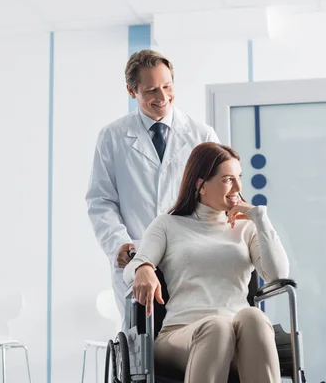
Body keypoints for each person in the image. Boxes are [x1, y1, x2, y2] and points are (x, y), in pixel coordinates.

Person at [123, 142, 290, 383]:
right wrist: (144, 267)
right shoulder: (168, 225)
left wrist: (260, 218)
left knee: (253, 317)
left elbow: (278, 275)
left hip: (239, 336)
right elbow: (132, 267)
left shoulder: (247, 228)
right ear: (201, 185)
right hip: (180, 335)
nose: (238, 187)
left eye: (239, 177)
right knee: (217, 328)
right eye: (227, 179)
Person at [86, 50, 219, 328]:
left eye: (167, 86)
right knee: (143, 346)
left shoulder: (201, 135)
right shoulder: (112, 137)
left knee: (195, 336)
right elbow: (101, 200)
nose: (162, 97)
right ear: (131, 91)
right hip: (138, 252)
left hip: (189, 254)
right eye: (151, 90)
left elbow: (215, 197)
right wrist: (118, 243)